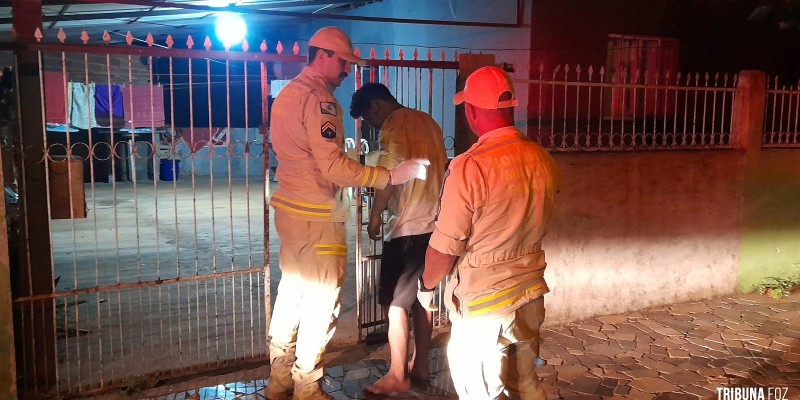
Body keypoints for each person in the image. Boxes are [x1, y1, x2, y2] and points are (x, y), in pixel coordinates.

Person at [266, 26, 429, 400]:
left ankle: (279, 379)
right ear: (322, 55)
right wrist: (389, 173)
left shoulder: (285, 96)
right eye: (343, 63)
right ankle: (307, 386)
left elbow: (309, 157)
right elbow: (333, 167)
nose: (346, 72)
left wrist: (366, 163)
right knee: (322, 301)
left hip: (290, 211)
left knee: (291, 292)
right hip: (318, 215)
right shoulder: (320, 101)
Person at [416, 66, 560, 400]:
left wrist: (426, 288)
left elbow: (444, 247)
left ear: (470, 111)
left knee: (480, 391)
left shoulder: (471, 166)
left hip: (485, 306)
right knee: (524, 386)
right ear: (511, 107)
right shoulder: (541, 158)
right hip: (529, 296)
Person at [348, 83, 447, 396]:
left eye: (369, 118)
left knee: (394, 305)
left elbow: (391, 175)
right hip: (434, 224)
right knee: (422, 300)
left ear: (377, 106)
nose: (373, 125)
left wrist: (375, 214)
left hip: (406, 226)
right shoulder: (428, 121)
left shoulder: (394, 125)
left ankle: (396, 375)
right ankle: (419, 368)